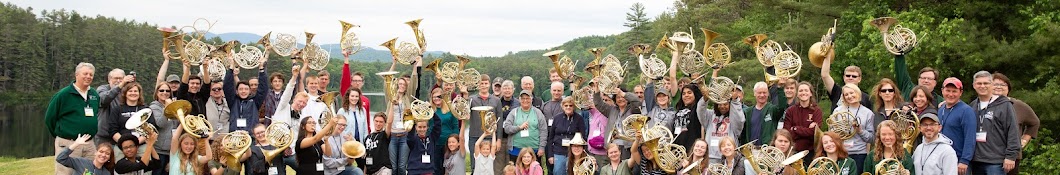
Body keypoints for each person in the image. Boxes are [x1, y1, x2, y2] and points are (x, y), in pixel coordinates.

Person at [46, 62, 102, 175]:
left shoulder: (94, 95)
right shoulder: (63, 94)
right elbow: (49, 119)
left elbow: (95, 114)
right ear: (77, 75)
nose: (88, 77)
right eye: (85, 73)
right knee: (66, 172)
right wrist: (62, 135)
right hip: (69, 142)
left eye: (91, 74)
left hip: (89, 143)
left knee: (90, 172)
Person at [966, 71, 1021, 174]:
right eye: (979, 83)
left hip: (996, 161)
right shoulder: (972, 106)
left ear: (992, 85)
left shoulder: (1005, 105)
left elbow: (1013, 131)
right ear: (974, 85)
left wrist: (1011, 156)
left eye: (986, 83)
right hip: (976, 160)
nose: (982, 86)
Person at [991, 73, 1039, 175]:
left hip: (1011, 158)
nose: (999, 87)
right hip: (987, 155)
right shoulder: (982, 105)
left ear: (1008, 88)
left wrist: (1024, 140)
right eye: (995, 84)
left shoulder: (1018, 105)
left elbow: (1034, 122)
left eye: (1003, 84)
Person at [936, 77, 978, 174]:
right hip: (942, 158)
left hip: (958, 160)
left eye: (954, 91)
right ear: (942, 91)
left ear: (960, 92)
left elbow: (970, 137)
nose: (950, 94)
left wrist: (965, 160)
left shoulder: (966, 111)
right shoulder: (941, 109)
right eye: (948, 91)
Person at [833, 83, 876, 172]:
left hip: (859, 154)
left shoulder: (868, 113)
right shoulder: (837, 111)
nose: (849, 96)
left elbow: (871, 139)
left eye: (852, 93)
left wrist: (860, 131)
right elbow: (831, 132)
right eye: (846, 94)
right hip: (841, 152)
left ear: (857, 93)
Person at [223, 56, 268, 133]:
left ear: (250, 90)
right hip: (235, 135)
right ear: (237, 91)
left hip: (251, 136)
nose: (243, 91)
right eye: (241, 89)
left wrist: (261, 69)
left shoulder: (255, 101)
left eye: (246, 89)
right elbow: (227, 86)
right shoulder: (233, 101)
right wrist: (231, 67)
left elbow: (263, 88)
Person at [469, 74, 504, 172]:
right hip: (475, 137)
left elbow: (499, 121)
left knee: (490, 166)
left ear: (489, 85)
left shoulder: (496, 100)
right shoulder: (472, 99)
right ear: (478, 85)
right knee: (474, 165)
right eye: (481, 83)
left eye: (486, 83)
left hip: (490, 137)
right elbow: (466, 115)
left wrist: (499, 139)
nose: (484, 85)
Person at [783, 81, 823, 162]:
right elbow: (787, 133)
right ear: (797, 94)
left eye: (806, 90)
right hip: (794, 151)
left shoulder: (817, 111)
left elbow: (814, 133)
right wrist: (806, 131)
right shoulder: (791, 111)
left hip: (811, 152)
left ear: (811, 93)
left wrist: (795, 129)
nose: (803, 93)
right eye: (800, 91)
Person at [595, 87, 640, 159]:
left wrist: (623, 93)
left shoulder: (633, 110)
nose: (620, 99)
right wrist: (596, 89)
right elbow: (598, 104)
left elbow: (637, 101)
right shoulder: (611, 110)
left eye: (622, 97)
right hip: (613, 146)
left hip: (628, 147)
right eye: (618, 97)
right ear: (615, 100)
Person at [504, 90, 548, 161]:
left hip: (534, 150)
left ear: (531, 99)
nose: (525, 100)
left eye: (527, 98)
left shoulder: (538, 113)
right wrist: (519, 127)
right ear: (519, 100)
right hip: (516, 150)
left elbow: (543, 131)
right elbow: (507, 128)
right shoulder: (514, 112)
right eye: (523, 98)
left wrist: (541, 147)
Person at [427, 86, 462, 175]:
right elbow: (427, 127)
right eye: (434, 97)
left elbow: (455, 126)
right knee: (436, 168)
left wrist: (456, 141)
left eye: (439, 96)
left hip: (448, 144)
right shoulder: (430, 110)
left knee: (448, 167)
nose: (436, 99)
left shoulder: (450, 109)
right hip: (435, 142)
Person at [95, 68, 135, 145]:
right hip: (104, 136)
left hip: (121, 135)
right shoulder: (102, 89)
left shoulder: (127, 92)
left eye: (121, 78)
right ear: (109, 79)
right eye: (116, 78)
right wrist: (121, 85)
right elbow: (104, 100)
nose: (118, 81)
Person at [547, 97, 586, 175]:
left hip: (574, 152)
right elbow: (551, 137)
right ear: (562, 106)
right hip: (558, 151)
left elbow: (583, 137)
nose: (568, 107)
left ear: (574, 107)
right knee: (558, 172)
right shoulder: (557, 118)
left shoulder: (579, 118)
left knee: (572, 172)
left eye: (570, 105)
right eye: (566, 105)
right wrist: (550, 155)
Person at [742, 81, 788, 146]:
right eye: (759, 93)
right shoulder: (748, 112)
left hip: (767, 150)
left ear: (768, 93)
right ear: (754, 93)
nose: (762, 95)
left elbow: (782, 107)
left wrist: (780, 88)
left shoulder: (772, 110)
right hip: (751, 150)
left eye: (764, 92)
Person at [149, 83, 177, 175]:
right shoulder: (154, 107)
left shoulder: (174, 106)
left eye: (167, 91)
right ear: (157, 93)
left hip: (172, 150)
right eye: (162, 90)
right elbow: (161, 124)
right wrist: (167, 108)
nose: (165, 93)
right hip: (158, 150)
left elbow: (176, 125)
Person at [674, 84, 704, 152]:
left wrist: (698, 82)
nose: (686, 95)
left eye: (689, 93)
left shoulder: (697, 109)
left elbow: (703, 99)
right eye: (683, 94)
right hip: (676, 149)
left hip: (691, 149)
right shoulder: (678, 110)